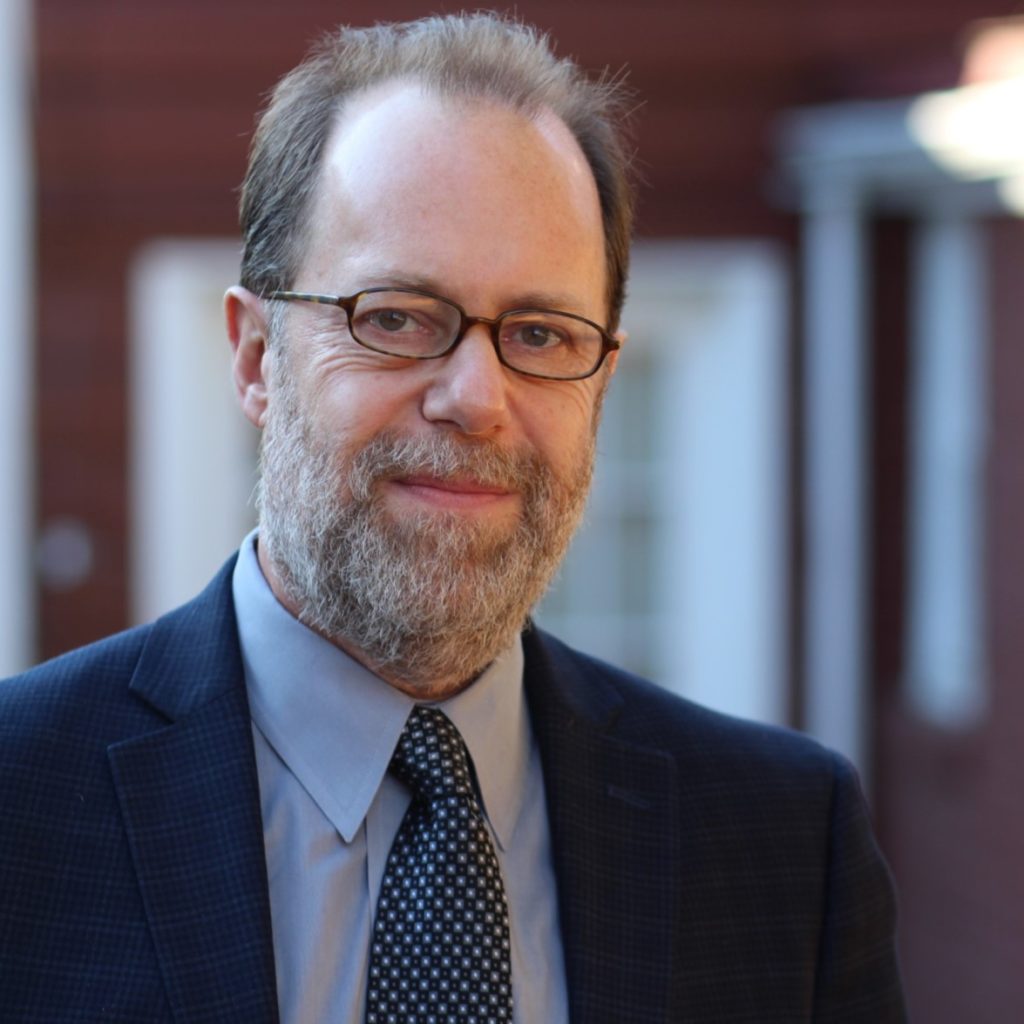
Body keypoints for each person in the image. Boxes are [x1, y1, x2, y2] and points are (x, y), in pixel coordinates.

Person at [0, 13, 906, 1023]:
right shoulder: (18, 799)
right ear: (256, 358)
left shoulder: (784, 846)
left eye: (541, 334)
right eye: (394, 317)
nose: (476, 398)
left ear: (602, 382)